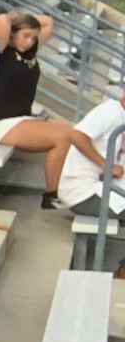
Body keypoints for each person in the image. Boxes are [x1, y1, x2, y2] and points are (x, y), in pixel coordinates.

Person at [0, 10, 69, 209]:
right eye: (25, 36)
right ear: (13, 33)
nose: (30, 42)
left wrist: (27, 25)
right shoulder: (1, 53)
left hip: (24, 119)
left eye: (33, 38)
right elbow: (1, 20)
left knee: (76, 132)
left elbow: (48, 22)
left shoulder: (29, 54)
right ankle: (51, 194)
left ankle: (70, 190)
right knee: (63, 138)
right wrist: (15, 19)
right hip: (2, 123)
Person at [56, 87, 125, 240]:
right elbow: (76, 135)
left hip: (103, 186)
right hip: (83, 193)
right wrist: (106, 164)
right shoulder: (110, 111)